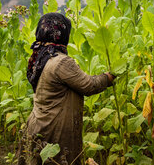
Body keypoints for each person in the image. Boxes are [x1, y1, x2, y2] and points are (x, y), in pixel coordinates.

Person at [18, 13, 115, 165]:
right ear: (62, 34)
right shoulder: (62, 62)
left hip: (38, 123)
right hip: (55, 128)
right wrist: (108, 78)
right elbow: (89, 85)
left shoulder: (39, 57)